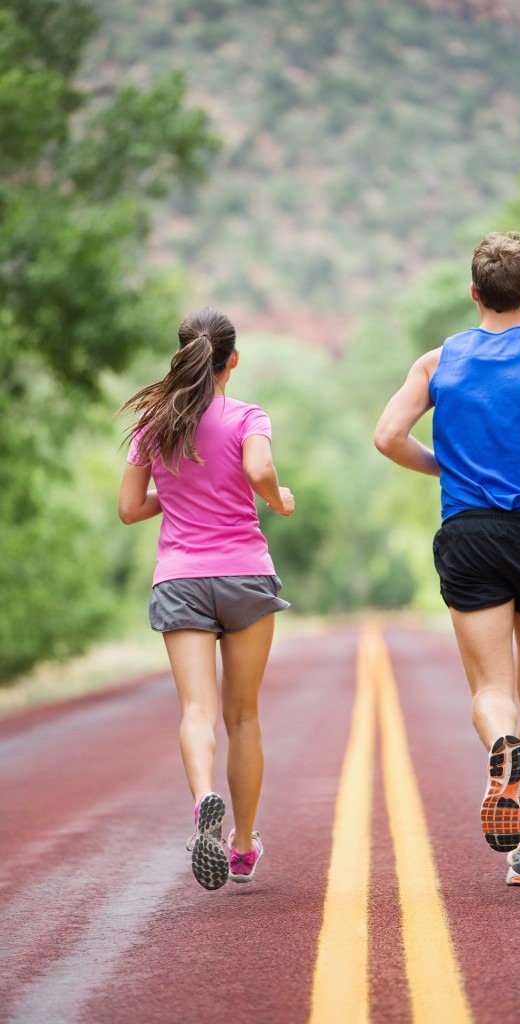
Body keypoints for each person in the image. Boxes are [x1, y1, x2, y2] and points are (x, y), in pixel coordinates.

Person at [374, 231, 520, 886]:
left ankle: (500, 745)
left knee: (491, 689)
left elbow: (387, 436)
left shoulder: (437, 362)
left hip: (470, 532)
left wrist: (442, 468)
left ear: (475, 292)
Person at [118, 307, 294, 891]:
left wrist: (179, 493)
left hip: (181, 579)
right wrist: (275, 497)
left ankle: (203, 802)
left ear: (182, 355)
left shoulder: (154, 422)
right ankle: (242, 848)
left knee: (197, 711)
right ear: (232, 359)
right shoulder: (247, 414)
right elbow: (258, 465)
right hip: (244, 576)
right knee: (243, 716)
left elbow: (129, 509)